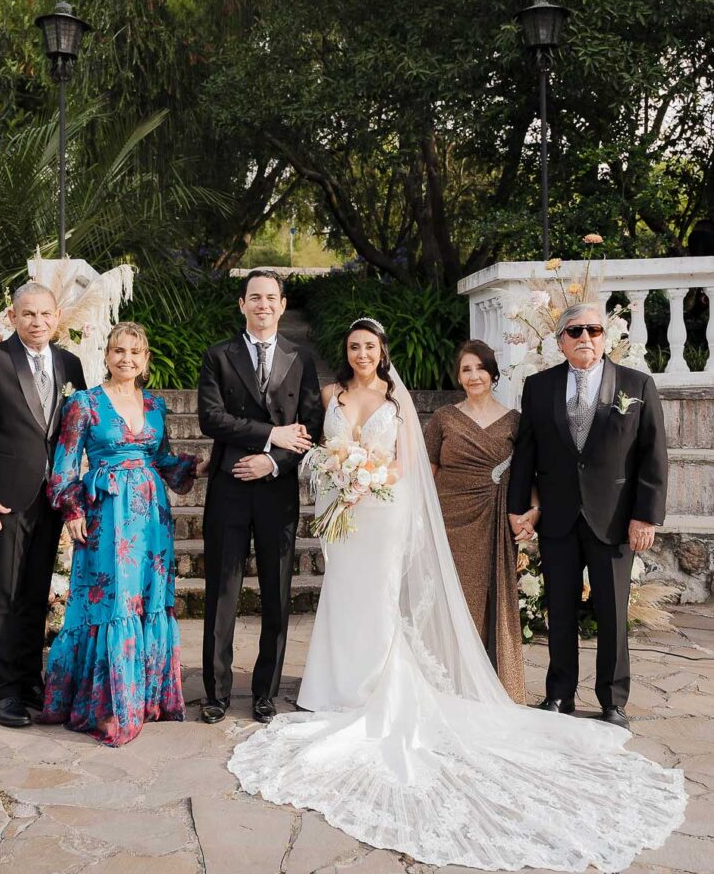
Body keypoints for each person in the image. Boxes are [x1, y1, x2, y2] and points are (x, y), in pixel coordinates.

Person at [228, 317, 685, 873]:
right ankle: (336, 686)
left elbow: (417, 463)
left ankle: (608, 701)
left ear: (382, 350)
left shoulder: (399, 398)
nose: (362, 353)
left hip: (387, 508)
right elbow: (320, 447)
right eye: (353, 346)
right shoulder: (330, 395)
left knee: (382, 601)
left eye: (370, 345)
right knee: (343, 597)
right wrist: (337, 478)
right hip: (342, 511)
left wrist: (371, 478)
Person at [40, 322, 204, 746]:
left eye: (135, 352)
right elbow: (64, 464)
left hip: (151, 517)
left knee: (148, 599)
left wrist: (200, 464)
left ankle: (146, 699)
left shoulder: (155, 404)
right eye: (118, 351)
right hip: (108, 515)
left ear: (145, 359)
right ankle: (110, 706)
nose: (126, 358)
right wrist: (72, 508)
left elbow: (162, 459)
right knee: (113, 602)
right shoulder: (85, 403)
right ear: (107, 356)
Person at [508, 303, 669, 729]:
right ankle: (559, 694)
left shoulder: (637, 384)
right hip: (558, 517)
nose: (585, 337)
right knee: (559, 611)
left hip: (614, 519)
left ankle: (613, 701)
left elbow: (653, 455)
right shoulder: (538, 386)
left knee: (612, 614)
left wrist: (645, 517)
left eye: (594, 330)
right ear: (560, 341)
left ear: (605, 337)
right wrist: (518, 508)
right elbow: (526, 451)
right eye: (575, 331)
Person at [0, 281, 86, 728]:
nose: (38, 322)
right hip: (3, 501)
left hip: (51, 499)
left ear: (57, 317)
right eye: (28, 314)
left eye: (46, 314)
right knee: (4, 597)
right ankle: (5, 692)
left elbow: (78, 429)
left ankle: (31, 681)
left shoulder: (69, 364)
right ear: (12, 317)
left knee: (35, 594)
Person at [198, 269, 324, 725]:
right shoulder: (218, 355)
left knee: (277, 593)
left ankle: (265, 692)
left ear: (283, 305)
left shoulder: (301, 357)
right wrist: (271, 434)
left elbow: (311, 427)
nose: (263, 305)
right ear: (242, 304)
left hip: (277, 490)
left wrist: (272, 462)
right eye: (255, 297)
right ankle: (216, 693)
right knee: (222, 592)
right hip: (229, 486)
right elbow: (211, 418)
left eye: (271, 298)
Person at [423, 340, 532, 703]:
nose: (473, 376)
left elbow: (528, 474)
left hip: (494, 521)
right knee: (450, 598)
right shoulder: (443, 418)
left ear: (493, 374)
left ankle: (487, 680)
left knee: (489, 597)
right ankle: (448, 680)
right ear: (459, 377)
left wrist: (532, 512)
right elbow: (426, 473)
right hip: (448, 520)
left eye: (480, 368)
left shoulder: (514, 421)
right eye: (466, 370)